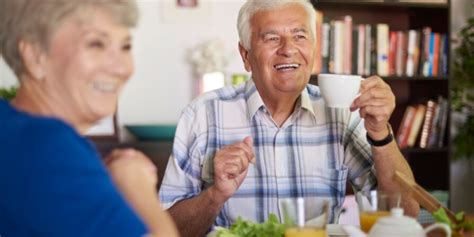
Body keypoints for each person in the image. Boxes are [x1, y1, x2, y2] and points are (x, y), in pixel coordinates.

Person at [159, 0, 420, 236]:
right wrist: (215, 195)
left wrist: (380, 132)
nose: (288, 50)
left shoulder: (343, 113)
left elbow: (405, 214)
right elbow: (165, 230)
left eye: (299, 36)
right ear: (246, 55)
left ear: (314, 50)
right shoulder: (203, 115)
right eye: (272, 38)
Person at [0, 0, 179, 236]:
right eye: (96, 44)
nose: (122, 68)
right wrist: (135, 182)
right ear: (35, 56)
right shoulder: (48, 145)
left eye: (125, 47)